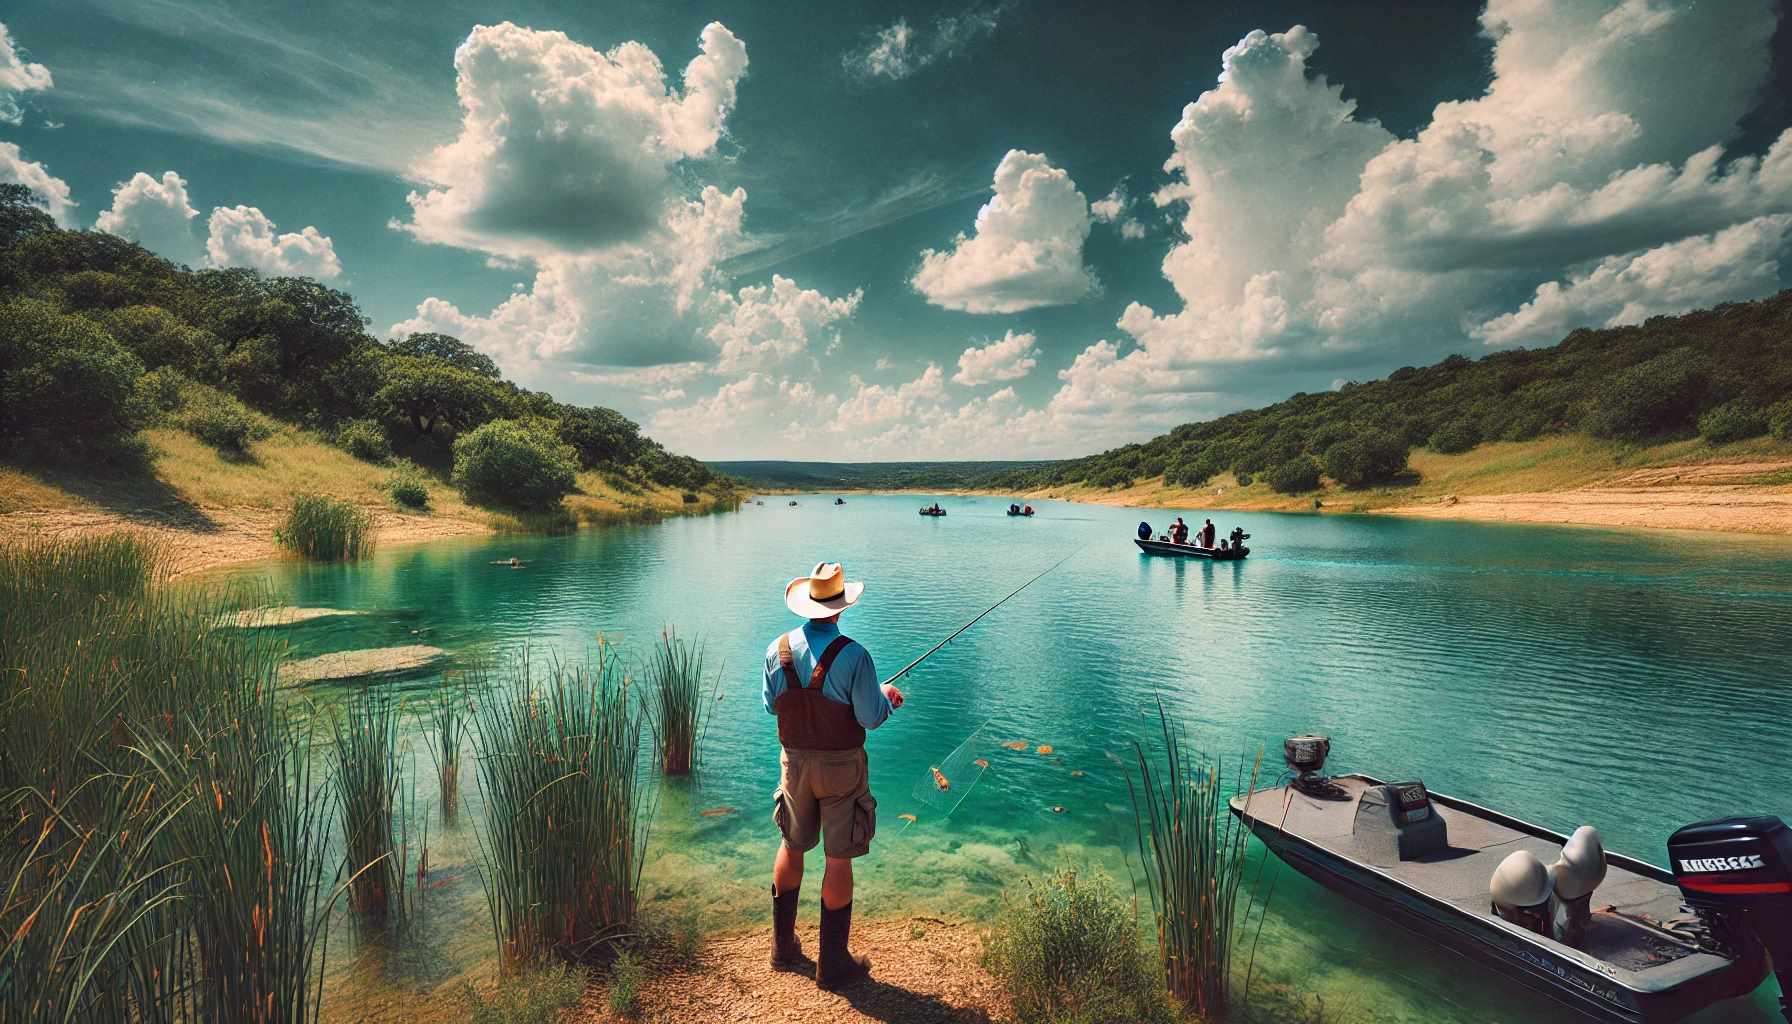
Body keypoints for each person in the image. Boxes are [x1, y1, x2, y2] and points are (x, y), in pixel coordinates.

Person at [763, 561, 903, 989]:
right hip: (841, 768)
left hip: (795, 765)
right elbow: (870, 717)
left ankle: (783, 948)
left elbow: (772, 706)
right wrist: (888, 699)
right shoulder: (855, 654)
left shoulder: (777, 648)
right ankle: (833, 965)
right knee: (838, 857)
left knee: (792, 843)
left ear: (807, 604)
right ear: (840, 607)